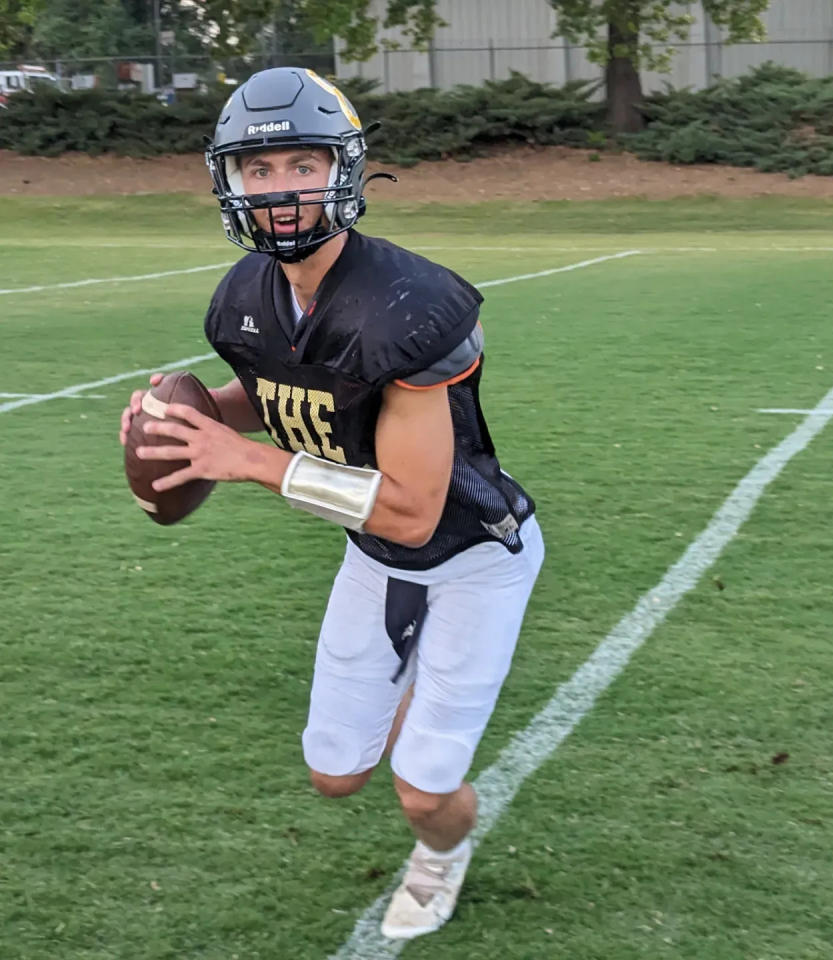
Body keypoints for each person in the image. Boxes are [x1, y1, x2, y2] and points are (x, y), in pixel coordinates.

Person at [118, 66, 543, 941]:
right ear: (228, 180)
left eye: (300, 165)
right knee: (334, 773)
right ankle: (414, 686)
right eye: (258, 170)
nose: (281, 190)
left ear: (343, 169)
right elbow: (280, 391)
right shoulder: (245, 296)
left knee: (422, 787)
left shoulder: (409, 308)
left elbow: (413, 512)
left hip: (469, 558)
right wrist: (186, 415)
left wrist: (248, 463)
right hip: (374, 557)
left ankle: (442, 857)